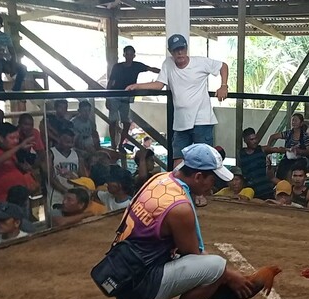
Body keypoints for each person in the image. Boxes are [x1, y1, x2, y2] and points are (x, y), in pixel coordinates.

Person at [102, 143, 254, 299]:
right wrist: (229, 276)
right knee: (216, 267)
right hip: (139, 281)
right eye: (213, 179)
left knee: (155, 249)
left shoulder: (158, 180)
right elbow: (192, 255)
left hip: (117, 271)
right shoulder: (179, 208)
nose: (214, 186)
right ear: (198, 177)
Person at [126, 34, 229, 168]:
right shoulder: (168, 64)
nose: (179, 52)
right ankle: (178, 188)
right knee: (178, 162)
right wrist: (137, 86)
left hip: (202, 121)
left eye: (182, 48)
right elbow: (159, 84)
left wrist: (224, 86)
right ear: (171, 51)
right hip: (180, 123)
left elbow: (223, 66)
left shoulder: (200, 62)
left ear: (186, 48)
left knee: (203, 160)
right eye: (176, 50)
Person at [106, 46, 160, 150]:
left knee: (126, 122)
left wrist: (165, 73)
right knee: (113, 121)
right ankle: (114, 144)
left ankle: (120, 144)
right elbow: (111, 82)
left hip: (126, 97)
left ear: (134, 56)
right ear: (124, 55)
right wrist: (107, 97)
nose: (129, 56)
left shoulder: (137, 66)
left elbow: (151, 69)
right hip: (115, 96)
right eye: (127, 54)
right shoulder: (117, 67)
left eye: (131, 54)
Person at [0, 123, 38, 203]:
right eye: (12, 138)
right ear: (1, 138)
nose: (16, 141)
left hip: (22, 197)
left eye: (17, 138)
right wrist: (19, 146)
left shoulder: (13, 153)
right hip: (5, 198)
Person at [265, 113, 309, 180]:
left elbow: (308, 152)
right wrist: (268, 147)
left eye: (296, 120)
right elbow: (272, 136)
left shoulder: (305, 137)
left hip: (302, 160)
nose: (293, 122)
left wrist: (299, 151)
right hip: (288, 159)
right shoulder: (288, 133)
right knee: (281, 167)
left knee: (293, 169)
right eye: (292, 120)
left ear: (301, 123)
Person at [48, 128, 82, 216]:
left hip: (73, 196)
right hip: (56, 196)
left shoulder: (76, 155)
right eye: (66, 141)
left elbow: (82, 177)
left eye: (71, 142)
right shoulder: (50, 153)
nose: (69, 144)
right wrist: (65, 191)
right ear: (58, 139)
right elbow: (50, 177)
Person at [239, 128, 275, 201]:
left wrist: (289, 150)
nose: (255, 141)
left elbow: (277, 149)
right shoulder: (241, 154)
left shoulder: (261, 149)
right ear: (245, 141)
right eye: (251, 140)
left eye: (255, 138)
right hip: (252, 192)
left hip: (267, 190)